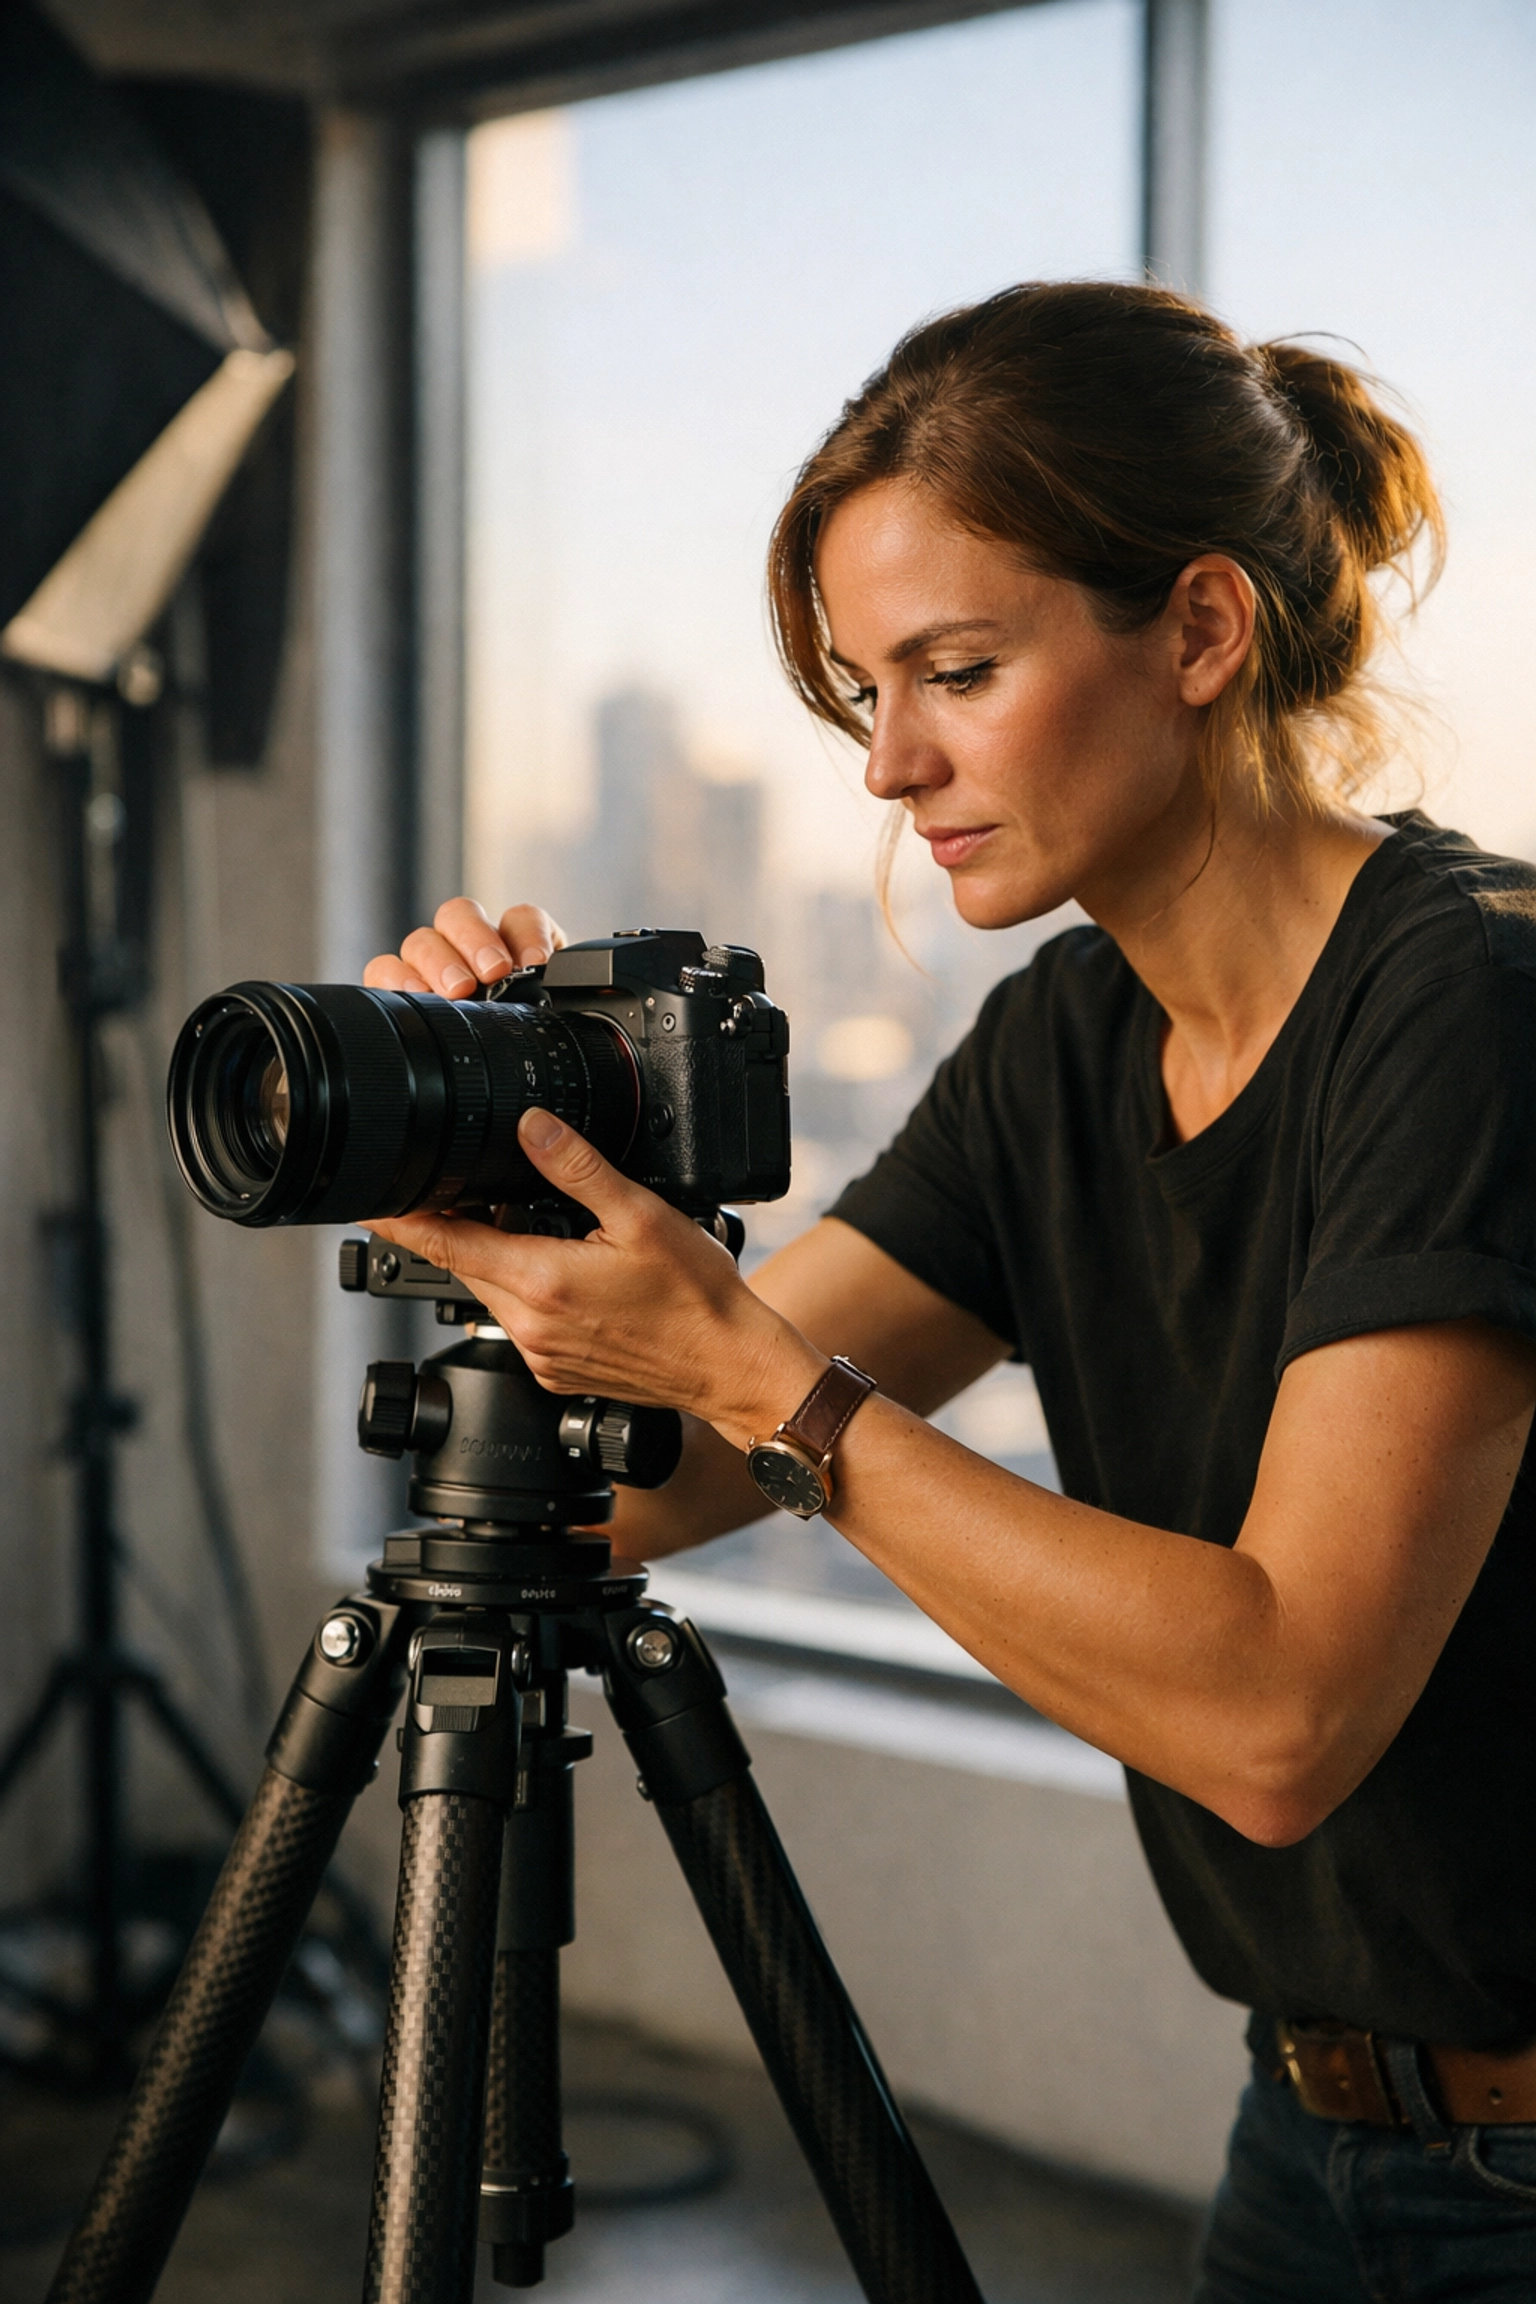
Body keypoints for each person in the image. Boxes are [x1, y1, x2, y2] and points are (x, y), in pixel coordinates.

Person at [366, 283, 1536, 2299]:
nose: (891, 763)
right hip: (1312, 2125)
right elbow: (635, 1494)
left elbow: (1277, 1718)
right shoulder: (1066, 1039)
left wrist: (772, 1387)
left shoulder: (1473, 1000)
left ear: (1200, 629)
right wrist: (500, 1177)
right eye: (862, 690)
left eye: (959, 671)